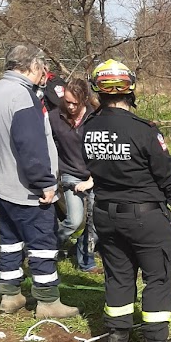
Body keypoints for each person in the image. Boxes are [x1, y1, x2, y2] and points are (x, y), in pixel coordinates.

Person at [82, 59, 171, 342]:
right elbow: (165, 174)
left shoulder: (89, 128)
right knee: (160, 273)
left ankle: (117, 336)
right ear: (130, 88)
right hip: (144, 216)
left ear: (98, 88)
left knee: (118, 272)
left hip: (105, 214)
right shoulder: (144, 130)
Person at [0, 44, 79, 319]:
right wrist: (45, 183)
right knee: (42, 242)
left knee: (10, 239)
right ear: (33, 66)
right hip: (23, 187)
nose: (43, 75)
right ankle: (48, 302)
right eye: (42, 69)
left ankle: (9, 295)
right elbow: (30, 146)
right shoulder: (22, 97)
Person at [49, 78, 99, 273]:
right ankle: (46, 248)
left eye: (74, 103)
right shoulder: (54, 117)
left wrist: (92, 180)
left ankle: (86, 260)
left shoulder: (95, 118)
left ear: (85, 100)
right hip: (70, 174)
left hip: (94, 175)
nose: (70, 106)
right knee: (75, 220)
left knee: (95, 223)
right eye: (67, 101)